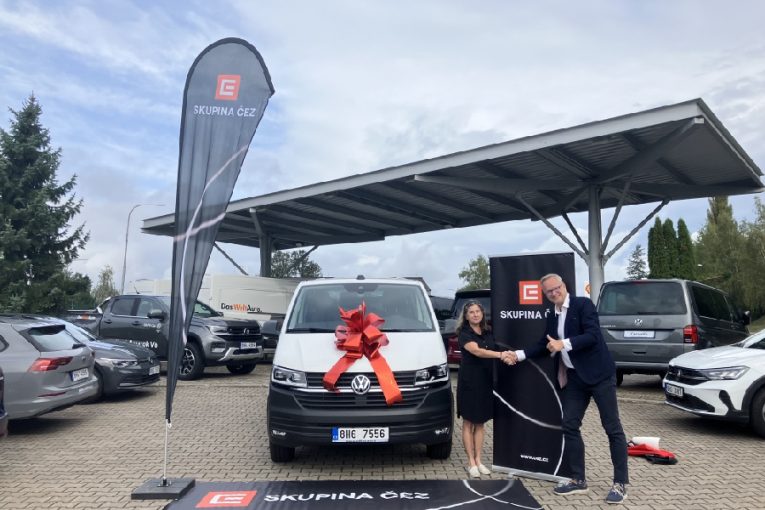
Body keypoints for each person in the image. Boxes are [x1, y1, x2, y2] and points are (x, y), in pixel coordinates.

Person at [503, 274, 629, 505]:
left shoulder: (583, 305)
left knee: (612, 428)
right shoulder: (552, 314)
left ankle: (620, 483)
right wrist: (518, 355)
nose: (554, 293)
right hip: (575, 378)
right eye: (549, 291)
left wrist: (563, 343)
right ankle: (578, 479)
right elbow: (545, 344)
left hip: (600, 376)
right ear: (545, 294)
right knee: (569, 425)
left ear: (564, 286)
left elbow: (592, 336)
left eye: (557, 288)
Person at [455, 300, 507, 478]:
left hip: (485, 381)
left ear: (482, 313)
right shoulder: (464, 333)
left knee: (480, 422)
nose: (475, 314)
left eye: (478, 311)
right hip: (469, 383)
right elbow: (478, 351)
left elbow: (496, 346)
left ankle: (478, 460)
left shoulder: (488, 331)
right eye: (471, 312)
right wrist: (501, 355)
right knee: (468, 422)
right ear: (466, 316)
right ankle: (470, 462)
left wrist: (510, 354)